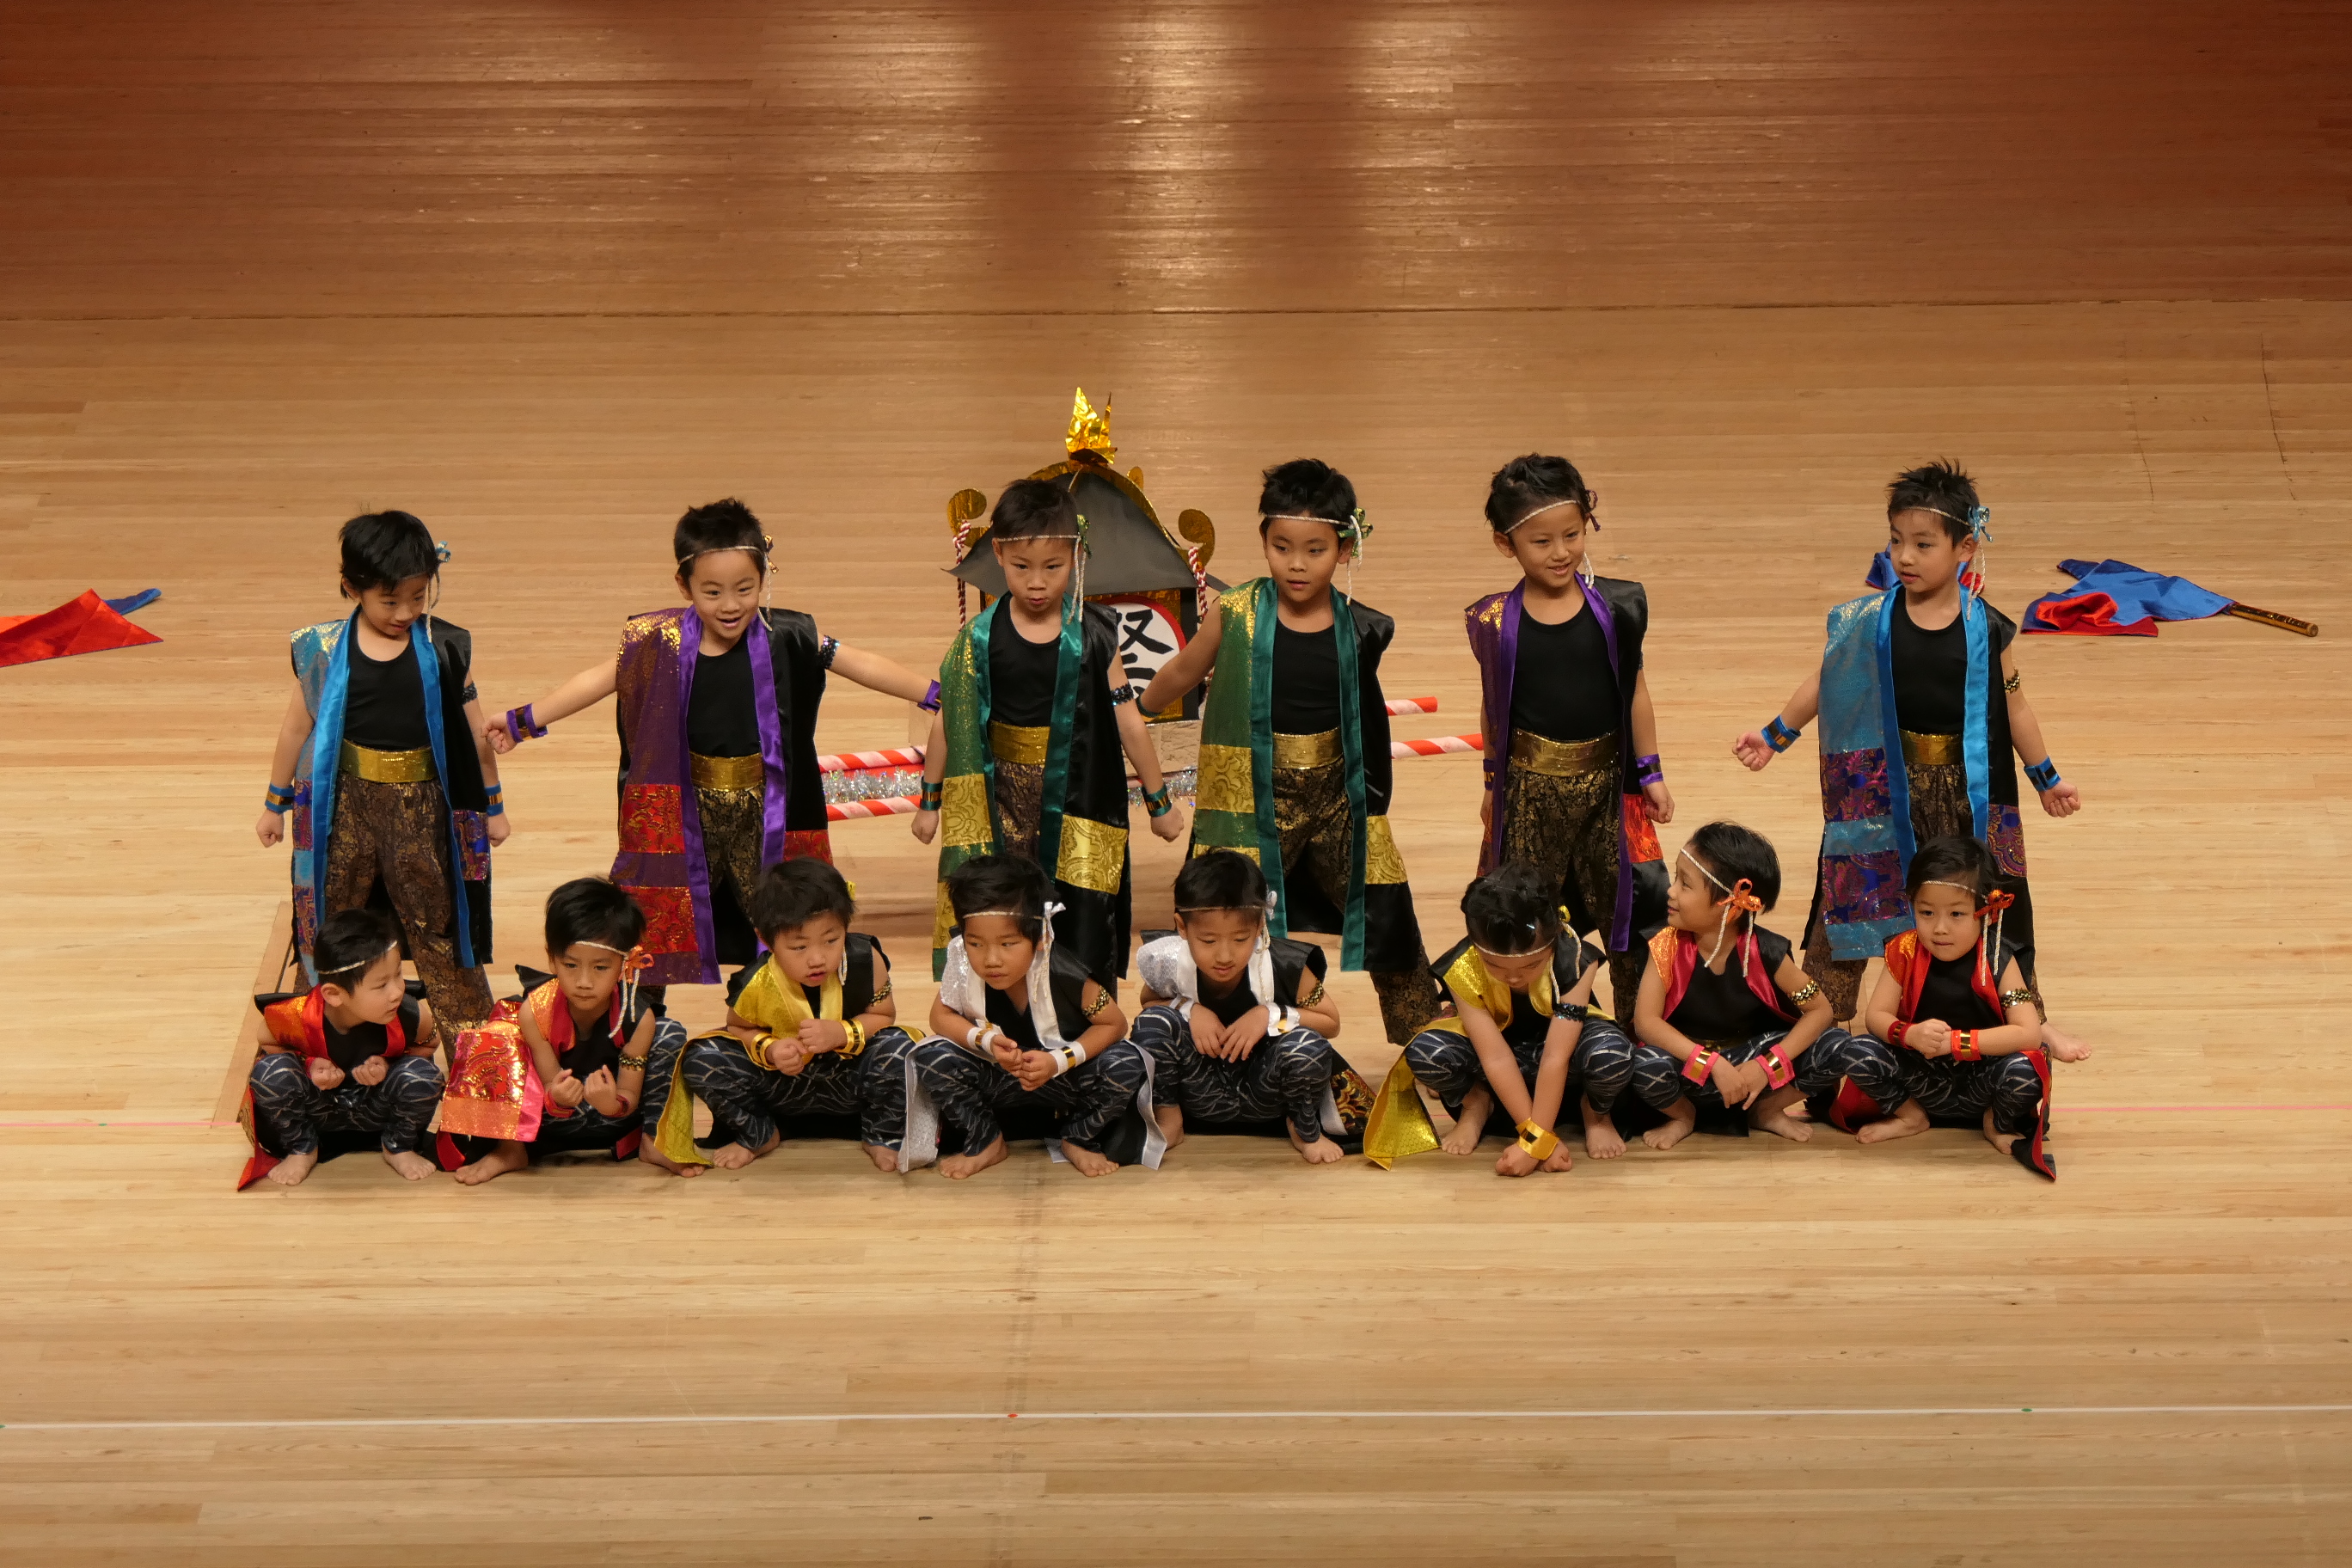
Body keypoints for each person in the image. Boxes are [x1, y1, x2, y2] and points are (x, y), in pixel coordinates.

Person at [483, 498, 929, 987]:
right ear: (684, 585)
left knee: (787, 913)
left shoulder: (789, 635)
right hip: (685, 805)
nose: (731, 605)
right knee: (657, 913)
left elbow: (857, 660)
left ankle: (782, 1011)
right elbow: (599, 679)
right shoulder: (658, 640)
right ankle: (646, 1015)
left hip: (768, 806)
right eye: (712, 592)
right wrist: (523, 721)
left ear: (764, 576)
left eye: (745, 589)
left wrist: (933, 693)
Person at [1732, 460, 2088, 1057]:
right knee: (1847, 896)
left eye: (1923, 544)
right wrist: (1774, 735)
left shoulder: (1987, 629)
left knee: (1990, 899)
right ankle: (1820, 1015)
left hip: (1967, 792)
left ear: (1965, 548)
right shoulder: (1867, 623)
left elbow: (2016, 706)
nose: (1904, 556)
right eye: (1896, 540)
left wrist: (2046, 778)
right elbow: (1825, 682)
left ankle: (2030, 1018)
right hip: (1882, 788)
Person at [1139, 458, 1441, 1046]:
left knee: (1387, 906)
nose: (1296, 564)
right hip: (1249, 795)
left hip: (1337, 798)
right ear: (1264, 543)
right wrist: (1135, 707)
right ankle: (1207, 1028)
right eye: (1282, 548)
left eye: (1314, 550)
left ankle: (1428, 1039)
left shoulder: (1361, 628)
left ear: (1345, 549)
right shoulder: (1235, 612)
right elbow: (1183, 669)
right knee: (1221, 913)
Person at [911, 476, 1185, 984]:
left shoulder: (1096, 637)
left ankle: (1082, 1008)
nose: (1036, 582)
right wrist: (930, 803)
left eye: (1052, 567)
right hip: (1000, 800)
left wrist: (1159, 802)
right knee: (1003, 909)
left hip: (1081, 796)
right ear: (998, 553)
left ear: (1076, 556)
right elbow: (949, 721)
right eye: (1022, 567)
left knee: (1082, 908)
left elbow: (1128, 720)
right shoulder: (978, 639)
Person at [255, 510, 501, 1027]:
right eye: (390, 601)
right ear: (352, 587)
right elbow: (295, 729)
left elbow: (476, 733)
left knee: (437, 920)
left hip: (422, 806)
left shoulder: (446, 646)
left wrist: (494, 805)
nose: (405, 611)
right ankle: (319, 1033)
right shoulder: (322, 649)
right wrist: (274, 804)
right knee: (331, 915)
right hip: (343, 803)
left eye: (418, 596)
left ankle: (478, 1048)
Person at [1466, 455, 1672, 1024]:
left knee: (1632, 908)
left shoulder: (1619, 607)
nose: (1560, 552)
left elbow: (1635, 692)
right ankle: (1538, 1023)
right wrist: (1492, 785)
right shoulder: (1493, 623)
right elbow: (1493, 708)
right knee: (1527, 907)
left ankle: (1640, 1026)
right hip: (1530, 792)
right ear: (1506, 544)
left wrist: (1651, 773)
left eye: (1572, 535)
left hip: (1609, 792)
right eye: (1541, 541)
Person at [642, 858, 915, 1175]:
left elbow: (884, 1016)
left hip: (849, 1080)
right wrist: (770, 1049)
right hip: (784, 1085)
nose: (817, 958)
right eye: (799, 947)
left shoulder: (866, 959)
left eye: (831, 940)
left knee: (901, 1048)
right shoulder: (755, 980)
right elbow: (737, 1028)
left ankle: (881, 1134)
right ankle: (758, 1133)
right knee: (702, 1057)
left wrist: (842, 1033)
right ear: (766, 940)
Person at [1831, 835, 2078, 1178]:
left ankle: (1996, 1121)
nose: (1940, 928)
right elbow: (1875, 1016)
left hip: (1983, 1082)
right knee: (1856, 1050)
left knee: (2026, 1069)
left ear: (1987, 912)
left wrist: (1956, 1042)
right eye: (1926, 913)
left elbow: (2028, 1034)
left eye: (1957, 914)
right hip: (1922, 1080)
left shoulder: (1998, 957)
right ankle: (1910, 1116)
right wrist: (1909, 1034)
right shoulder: (1904, 950)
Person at [903, 854, 1160, 1179]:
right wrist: (986, 1041)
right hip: (998, 1075)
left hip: (1064, 1077)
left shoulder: (1066, 973)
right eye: (975, 943)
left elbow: (1115, 1023)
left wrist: (1058, 1061)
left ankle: (1078, 1137)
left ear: (1040, 937)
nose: (991, 959)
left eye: (1008, 943)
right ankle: (986, 1139)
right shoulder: (963, 964)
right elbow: (940, 1016)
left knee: (1126, 1062)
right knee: (932, 1055)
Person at [1624, 822, 1864, 1149]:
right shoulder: (1665, 946)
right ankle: (1682, 1115)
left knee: (1837, 1045)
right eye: (1676, 879)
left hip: (1752, 1066)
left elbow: (1820, 1011)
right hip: (1690, 1066)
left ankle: (1766, 1109)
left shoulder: (1765, 951)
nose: (1671, 891)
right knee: (1644, 1064)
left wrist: (1767, 1066)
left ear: (1732, 905)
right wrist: (1711, 1063)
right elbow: (1646, 1023)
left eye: (1685, 884)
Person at [1131, 849, 1367, 1166]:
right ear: (1182, 927)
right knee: (1154, 1022)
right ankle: (1168, 1118)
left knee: (1307, 1046)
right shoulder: (1170, 963)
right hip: (1200, 1091)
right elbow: (1148, 1003)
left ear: (1259, 926)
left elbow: (1331, 1023)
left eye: (1240, 939)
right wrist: (1189, 1009)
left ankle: (1303, 1129)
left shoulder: (1285, 964)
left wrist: (1268, 1015)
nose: (1224, 956)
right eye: (1208, 941)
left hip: (1266, 1091)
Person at [1402, 861, 1638, 1174]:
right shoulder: (1461, 965)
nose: (1513, 978)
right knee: (1426, 1052)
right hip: (1500, 1056)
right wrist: (1538, 1141)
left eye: (1530, 966)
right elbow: (1495, 1057)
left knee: (1613, 1053)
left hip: (1563, 1055)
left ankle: (1596, 1114)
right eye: (1494, 965)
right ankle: (1477, 1104)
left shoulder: (1577, 958)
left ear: (1553, 941)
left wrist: (1534, 1144)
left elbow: (1556, 1055)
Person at [445, 878, 683, 1185]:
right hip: (553, 1120)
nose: (584, 981)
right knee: (499, 1035)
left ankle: (653, 1140)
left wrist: (611, 1103)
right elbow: (550, 1084)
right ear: (552, 958)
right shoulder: (535, 1012)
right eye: (570, 965)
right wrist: (558, 1097)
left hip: (615, 1119)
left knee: (669, 1033)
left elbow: (629, 1095)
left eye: (600, 968)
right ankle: (510, 1149)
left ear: (625, 964)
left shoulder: (638, 1017)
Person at [238, 909, 447, 1188]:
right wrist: (307, 1063)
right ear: (334, 994)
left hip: (376, 1106)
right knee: (270, 1072)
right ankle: (302, 1147)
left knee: (424, 1074)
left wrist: (389, 1066)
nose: (397, 991)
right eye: (381, 985)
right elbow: (266, 1040)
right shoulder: (296, 1016)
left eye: (398, 974)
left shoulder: (409, 1013)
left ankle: (398, 1145)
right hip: (319, 1108)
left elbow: (431, 1042)